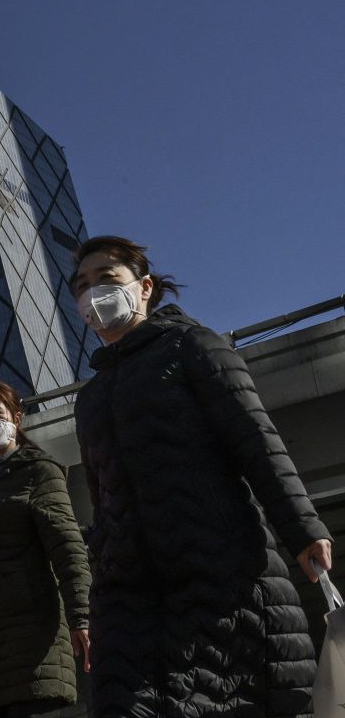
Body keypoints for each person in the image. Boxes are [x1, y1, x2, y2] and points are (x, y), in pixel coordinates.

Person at [71, 234, 333, 718]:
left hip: (219, 578)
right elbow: (103, 498)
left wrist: (302, 528)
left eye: (108, 279)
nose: (93, 294)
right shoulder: (90, 397)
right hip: (128, 596)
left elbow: (255, 441)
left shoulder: (191, 346)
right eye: (82, 285)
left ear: (144, 287)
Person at [0, 379, 91, 718]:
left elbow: (67, 545)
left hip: (27, 635)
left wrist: (81, 615)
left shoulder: (38, 470)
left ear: (16, 418)